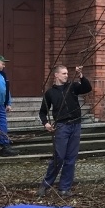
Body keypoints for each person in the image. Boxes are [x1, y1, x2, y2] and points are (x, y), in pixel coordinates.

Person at [37, 65, 92, 198]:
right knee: (59, 157)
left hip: (75, 125)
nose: (66, 75)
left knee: (71, 158)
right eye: (63, 73)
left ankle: (64, 188)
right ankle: (45, 185)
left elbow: (87, 88)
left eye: (67, 73)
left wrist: (81, 75)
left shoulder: (72, 87)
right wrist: (46, 123)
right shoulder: (50, 93)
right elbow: (42, 112)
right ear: (56, 75)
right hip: (62, 126)